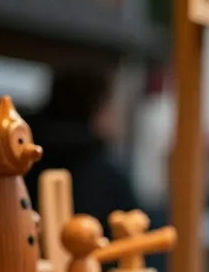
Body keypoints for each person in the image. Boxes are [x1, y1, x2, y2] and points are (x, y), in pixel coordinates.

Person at [25, 69, 141, 231]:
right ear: (96, 111)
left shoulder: (24, 154)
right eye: (110, 106)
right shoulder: (102, 170)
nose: (114, 114)